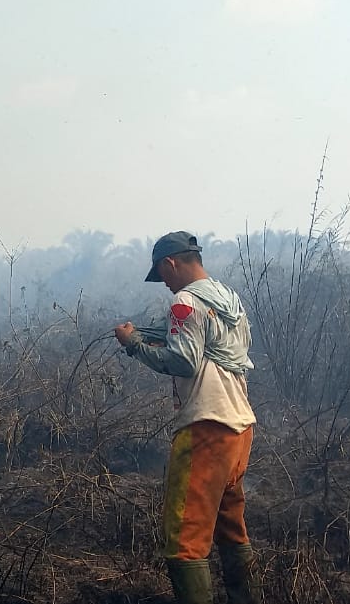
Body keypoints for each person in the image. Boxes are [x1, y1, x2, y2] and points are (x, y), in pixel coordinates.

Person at [114, 232, 262, 604]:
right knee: (232, 530)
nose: (164, 284)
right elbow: (210, 349)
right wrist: (150, 335)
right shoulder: (229, 300)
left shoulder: (185, 302)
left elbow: (183, 360)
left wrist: (133, 344)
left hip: (206, 427)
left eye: (162, 275)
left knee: (184, 538)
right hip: (240, 426)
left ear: (171, 264)